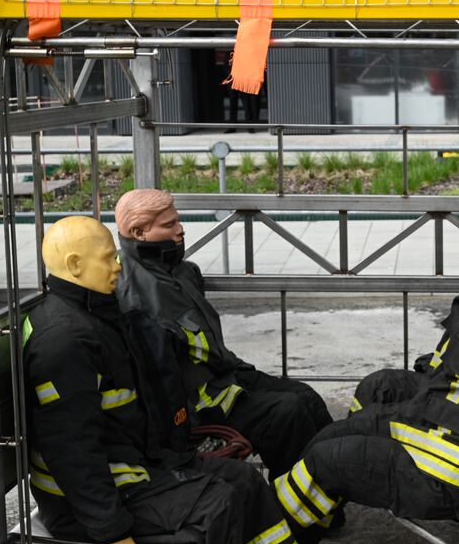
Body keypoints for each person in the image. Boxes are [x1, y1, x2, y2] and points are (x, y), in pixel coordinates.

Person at [22, 216, 316, 544]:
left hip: (135, 470)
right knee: (215, 505)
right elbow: (71, 450)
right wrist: (111, 532)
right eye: (108, 259)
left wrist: (179, 457)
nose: (118, 265)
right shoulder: (65, 339)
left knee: (244, 480)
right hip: (88, 501)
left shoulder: (98, 314)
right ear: (75, 265)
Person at [272, 193, 459, 541]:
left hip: (455, 469)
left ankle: (271, 541)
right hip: (447, 436)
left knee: (326, 458)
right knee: (344, 426)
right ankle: (311, 520)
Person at [114, 189, 332, 478]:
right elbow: (159, 379)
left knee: (307, 397)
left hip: (224, 375)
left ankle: (332, 487)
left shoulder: (181, 271)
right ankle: (298, 510)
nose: (180, 231)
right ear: (138, 232)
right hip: (198, 402)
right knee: (286, 413)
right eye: (168, 225)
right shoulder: (132, 292)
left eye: (177, 221)